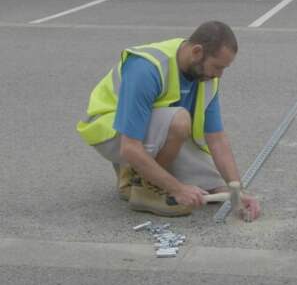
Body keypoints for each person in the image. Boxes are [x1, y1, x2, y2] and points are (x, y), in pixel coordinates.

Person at [76, 21, 260, 219]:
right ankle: (144, 187)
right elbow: (130, 148)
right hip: (112, 131)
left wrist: (237, 191)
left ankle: (135, 172)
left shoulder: (206, 78)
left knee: (211, 187)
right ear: (197, 52)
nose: (219, 75)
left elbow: (217, 139)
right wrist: (177, 189)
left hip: (154, 130)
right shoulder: (147, 68)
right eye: (217, 67)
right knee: (180, 121)